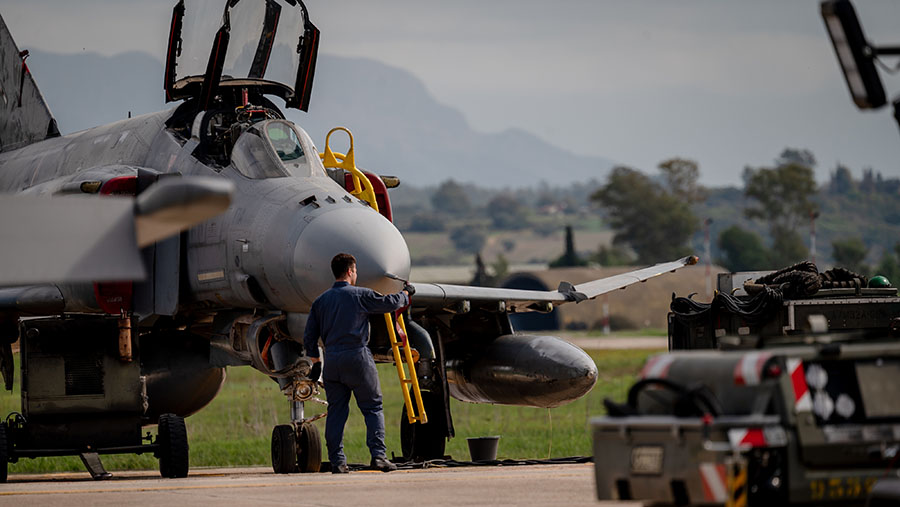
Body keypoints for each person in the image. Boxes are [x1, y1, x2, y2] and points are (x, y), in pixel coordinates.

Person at [303, 253, 414, 473]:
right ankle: (378, 456)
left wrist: (316, 362)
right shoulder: (360, 295)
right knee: (373, 408)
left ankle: (337, 461)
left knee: (336, 411)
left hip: (332, 361)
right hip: (357, 357)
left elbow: (309, 336)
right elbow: (388, 303)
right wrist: (406, 294)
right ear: (350, 271)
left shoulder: (320, 301)